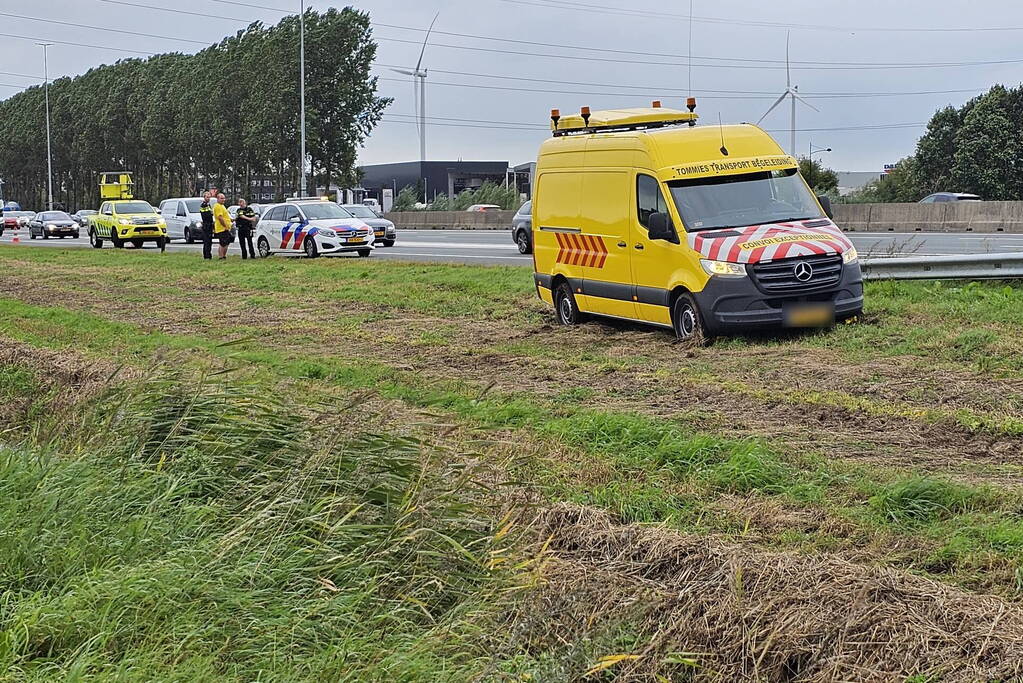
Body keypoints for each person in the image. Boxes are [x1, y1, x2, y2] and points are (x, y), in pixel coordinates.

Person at [213, 192, 234, 260]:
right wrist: (225, 226)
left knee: (227, 240)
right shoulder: (218, 206)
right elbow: (220, 218)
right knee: (223, 242)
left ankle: (223, 255)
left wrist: (230, 220)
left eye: (224, 198)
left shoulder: (222, 206)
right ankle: (221, 256)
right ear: (218, 199)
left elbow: (225, 216)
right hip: (222, 228)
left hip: (226, 227)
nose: (223, 199)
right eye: (221, 198)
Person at [199, 191, 214, 260]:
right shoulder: (203, 205)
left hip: (209, 224)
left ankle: (208, 254)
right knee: (207, 241)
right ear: (204, 197)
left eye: (209, 197)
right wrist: (211, 213)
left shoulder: (208, 205)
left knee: (209, 241)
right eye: (207, 197)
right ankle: (207, 255)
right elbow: (205, 215)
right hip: (206, 224)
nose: (208, 198)